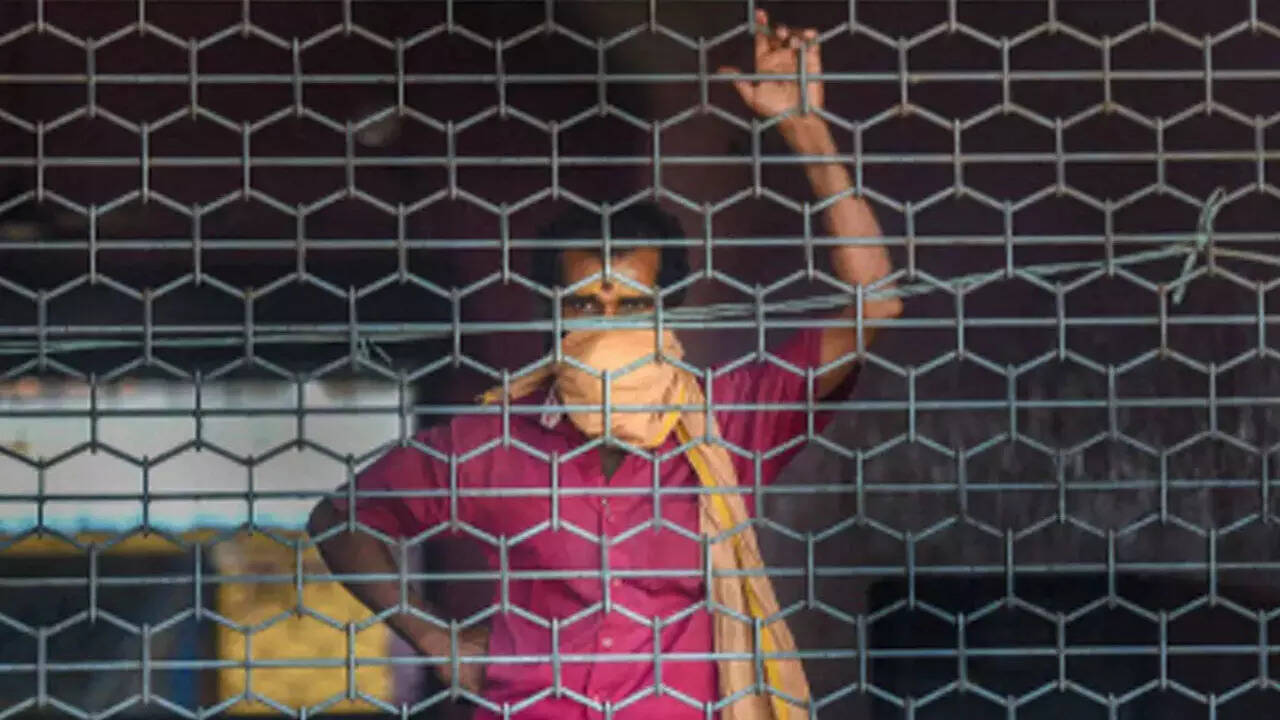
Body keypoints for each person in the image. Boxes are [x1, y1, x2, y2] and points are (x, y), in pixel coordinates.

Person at [309, 10, 902, 720]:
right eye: (588, 305)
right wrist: (439, 640)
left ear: (670, 314)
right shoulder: (494, 443)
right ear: (553, 316)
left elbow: (875, 301)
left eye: (633, 305)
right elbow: (340, 518)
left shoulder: (731, 419)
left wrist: (805, 128)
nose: (610, 323)